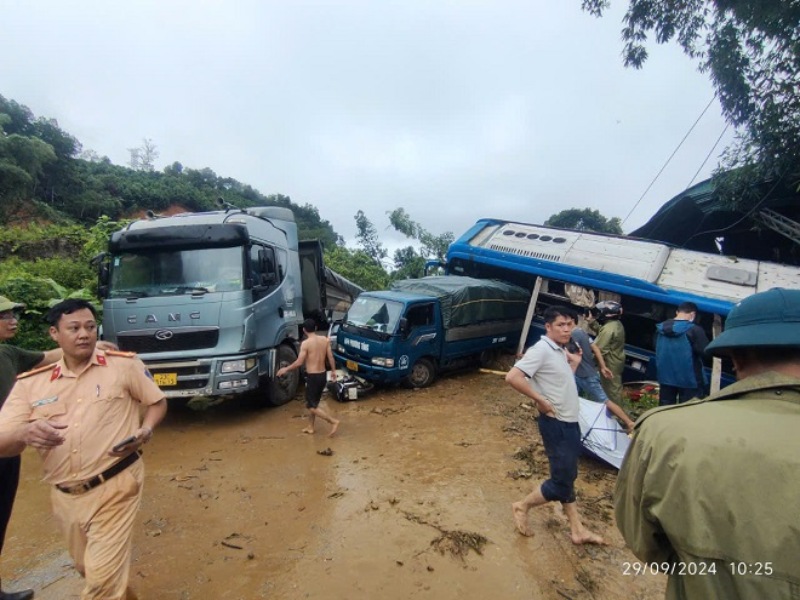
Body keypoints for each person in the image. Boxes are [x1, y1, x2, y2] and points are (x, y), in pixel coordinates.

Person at [615, 288, 800, 599]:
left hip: (667, 382)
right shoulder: (694, 332)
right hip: (688, 381)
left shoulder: (663, 431)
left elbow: (645, 544)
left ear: (736, 356)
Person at [0, 299, 167, 600]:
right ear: (54, 334)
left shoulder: (123, 365)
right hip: (66, 497)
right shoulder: (30, 385)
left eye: (90, 327)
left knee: (101, 582)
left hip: (117, 483)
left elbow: (156, 401)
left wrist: (146, 429)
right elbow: (3, 441)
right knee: (90, 570)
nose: (84, 334)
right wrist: (24, 431)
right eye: (74, 328)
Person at [506, 305, 604, 545]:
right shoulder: (541, 349)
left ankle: (577, 530)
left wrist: (574, 364)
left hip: (569, 422)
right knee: (561, 481)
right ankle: (522, 506)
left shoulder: (560, 350)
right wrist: (540, 400)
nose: (567, 329)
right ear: (548, 326)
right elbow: (513, 377)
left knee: (567, 476)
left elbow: (558, 381)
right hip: (556, 424)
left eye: (570, 324)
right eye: (561, 325)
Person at [570, 310, 635, 432]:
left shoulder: (577, 333)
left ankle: (625, 422)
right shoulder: (614, 325)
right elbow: (597, 345)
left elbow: (600, 347)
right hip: (590, 370)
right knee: (572, 395)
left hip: (591, 371)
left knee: (608, 397)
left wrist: (593, 363)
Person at [277, 319, 340, 436]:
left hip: (313, 377)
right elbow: (330, 357)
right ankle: (310, 427)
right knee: (314, 403)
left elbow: (299, 362)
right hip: (322, 375)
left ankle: (333, 421)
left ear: (304, 330)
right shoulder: (324, 340)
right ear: (315, 328)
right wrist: (333, 371)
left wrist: (285, 369)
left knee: (311, 406)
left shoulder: (306, 344)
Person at [654, 301, 710, 405]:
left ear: (677, 312)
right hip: (690, 380)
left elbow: (656, 347)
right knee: (688, 410)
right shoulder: (694, 330)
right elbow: (706, 352)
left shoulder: (660, 329)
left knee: (665, 409)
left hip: (665, 378)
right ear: (693, 314)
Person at [591, 301, 626, 406]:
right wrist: (591, 322)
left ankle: (616, 413)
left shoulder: (609, 328)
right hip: (616, 360)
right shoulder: (615, 324)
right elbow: (602, 331)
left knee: (612, 391)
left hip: (610, 363)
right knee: (613, 389)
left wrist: (589, 360)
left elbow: (599, 349)